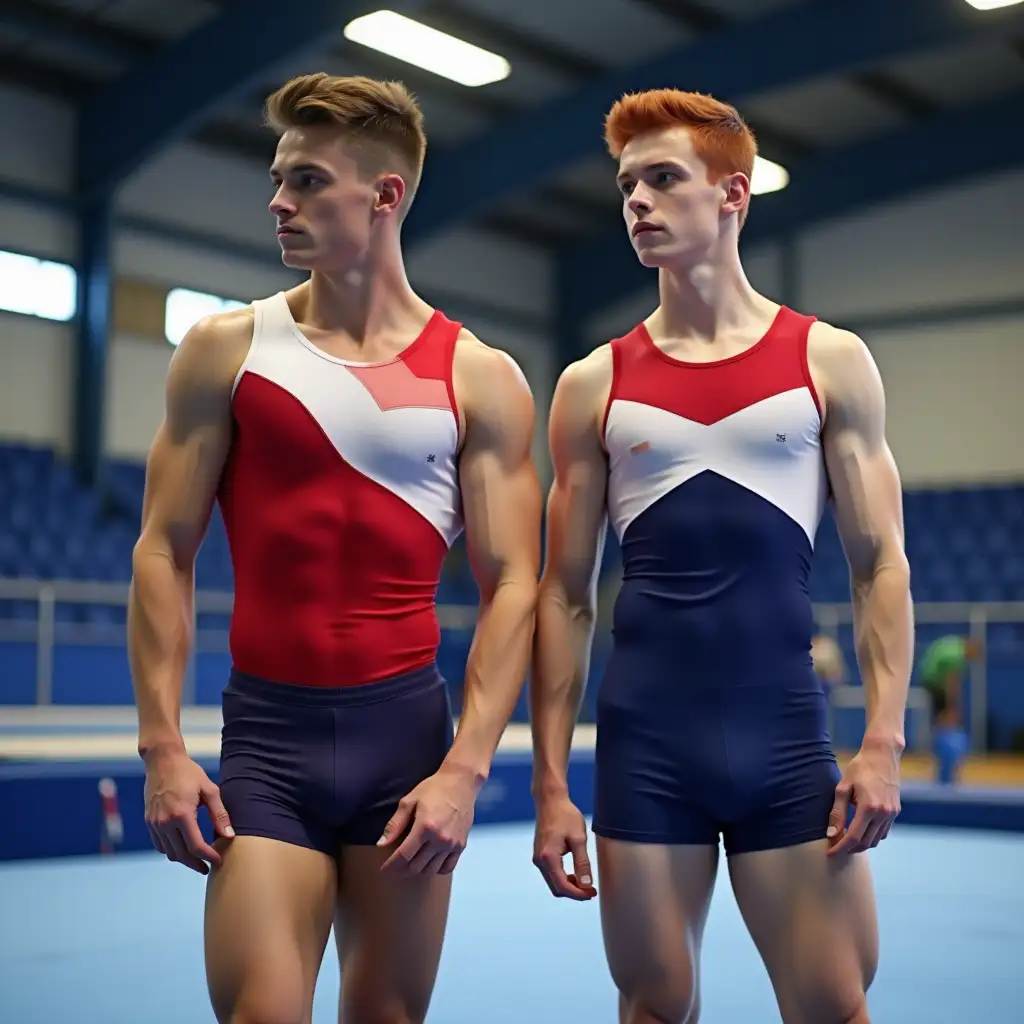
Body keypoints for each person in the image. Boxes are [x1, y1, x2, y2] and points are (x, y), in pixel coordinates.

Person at [128, 72, 541, 1024]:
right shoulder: (226, 349)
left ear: (384, 196)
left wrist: (466, 772)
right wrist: (161, 749)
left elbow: (516, 581)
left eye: (308, 181)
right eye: (279, 178)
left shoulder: (478, 377)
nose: (279, 200)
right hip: (269, 743)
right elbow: (162, 549)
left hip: (406, 744)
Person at [530, 88, 913, 1024]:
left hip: (782, 738)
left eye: (664, 179)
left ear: (733, 194)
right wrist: (548, 782)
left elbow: (881, 566)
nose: (637, 203)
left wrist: (883, 742)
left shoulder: (828, 361)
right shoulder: (594, 385)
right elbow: (563, 597)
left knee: (833, 1004)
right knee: (654, 1005)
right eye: (626, 185)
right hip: (646, 745)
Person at [918, 634, 980, 784]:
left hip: (929, 675)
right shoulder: (957, 657)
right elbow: (953, 685)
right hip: (932, 679)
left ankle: (938, 751)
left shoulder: (956, 645)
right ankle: (941, 751)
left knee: (941, 717)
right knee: (945, 715)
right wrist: (953, 708)